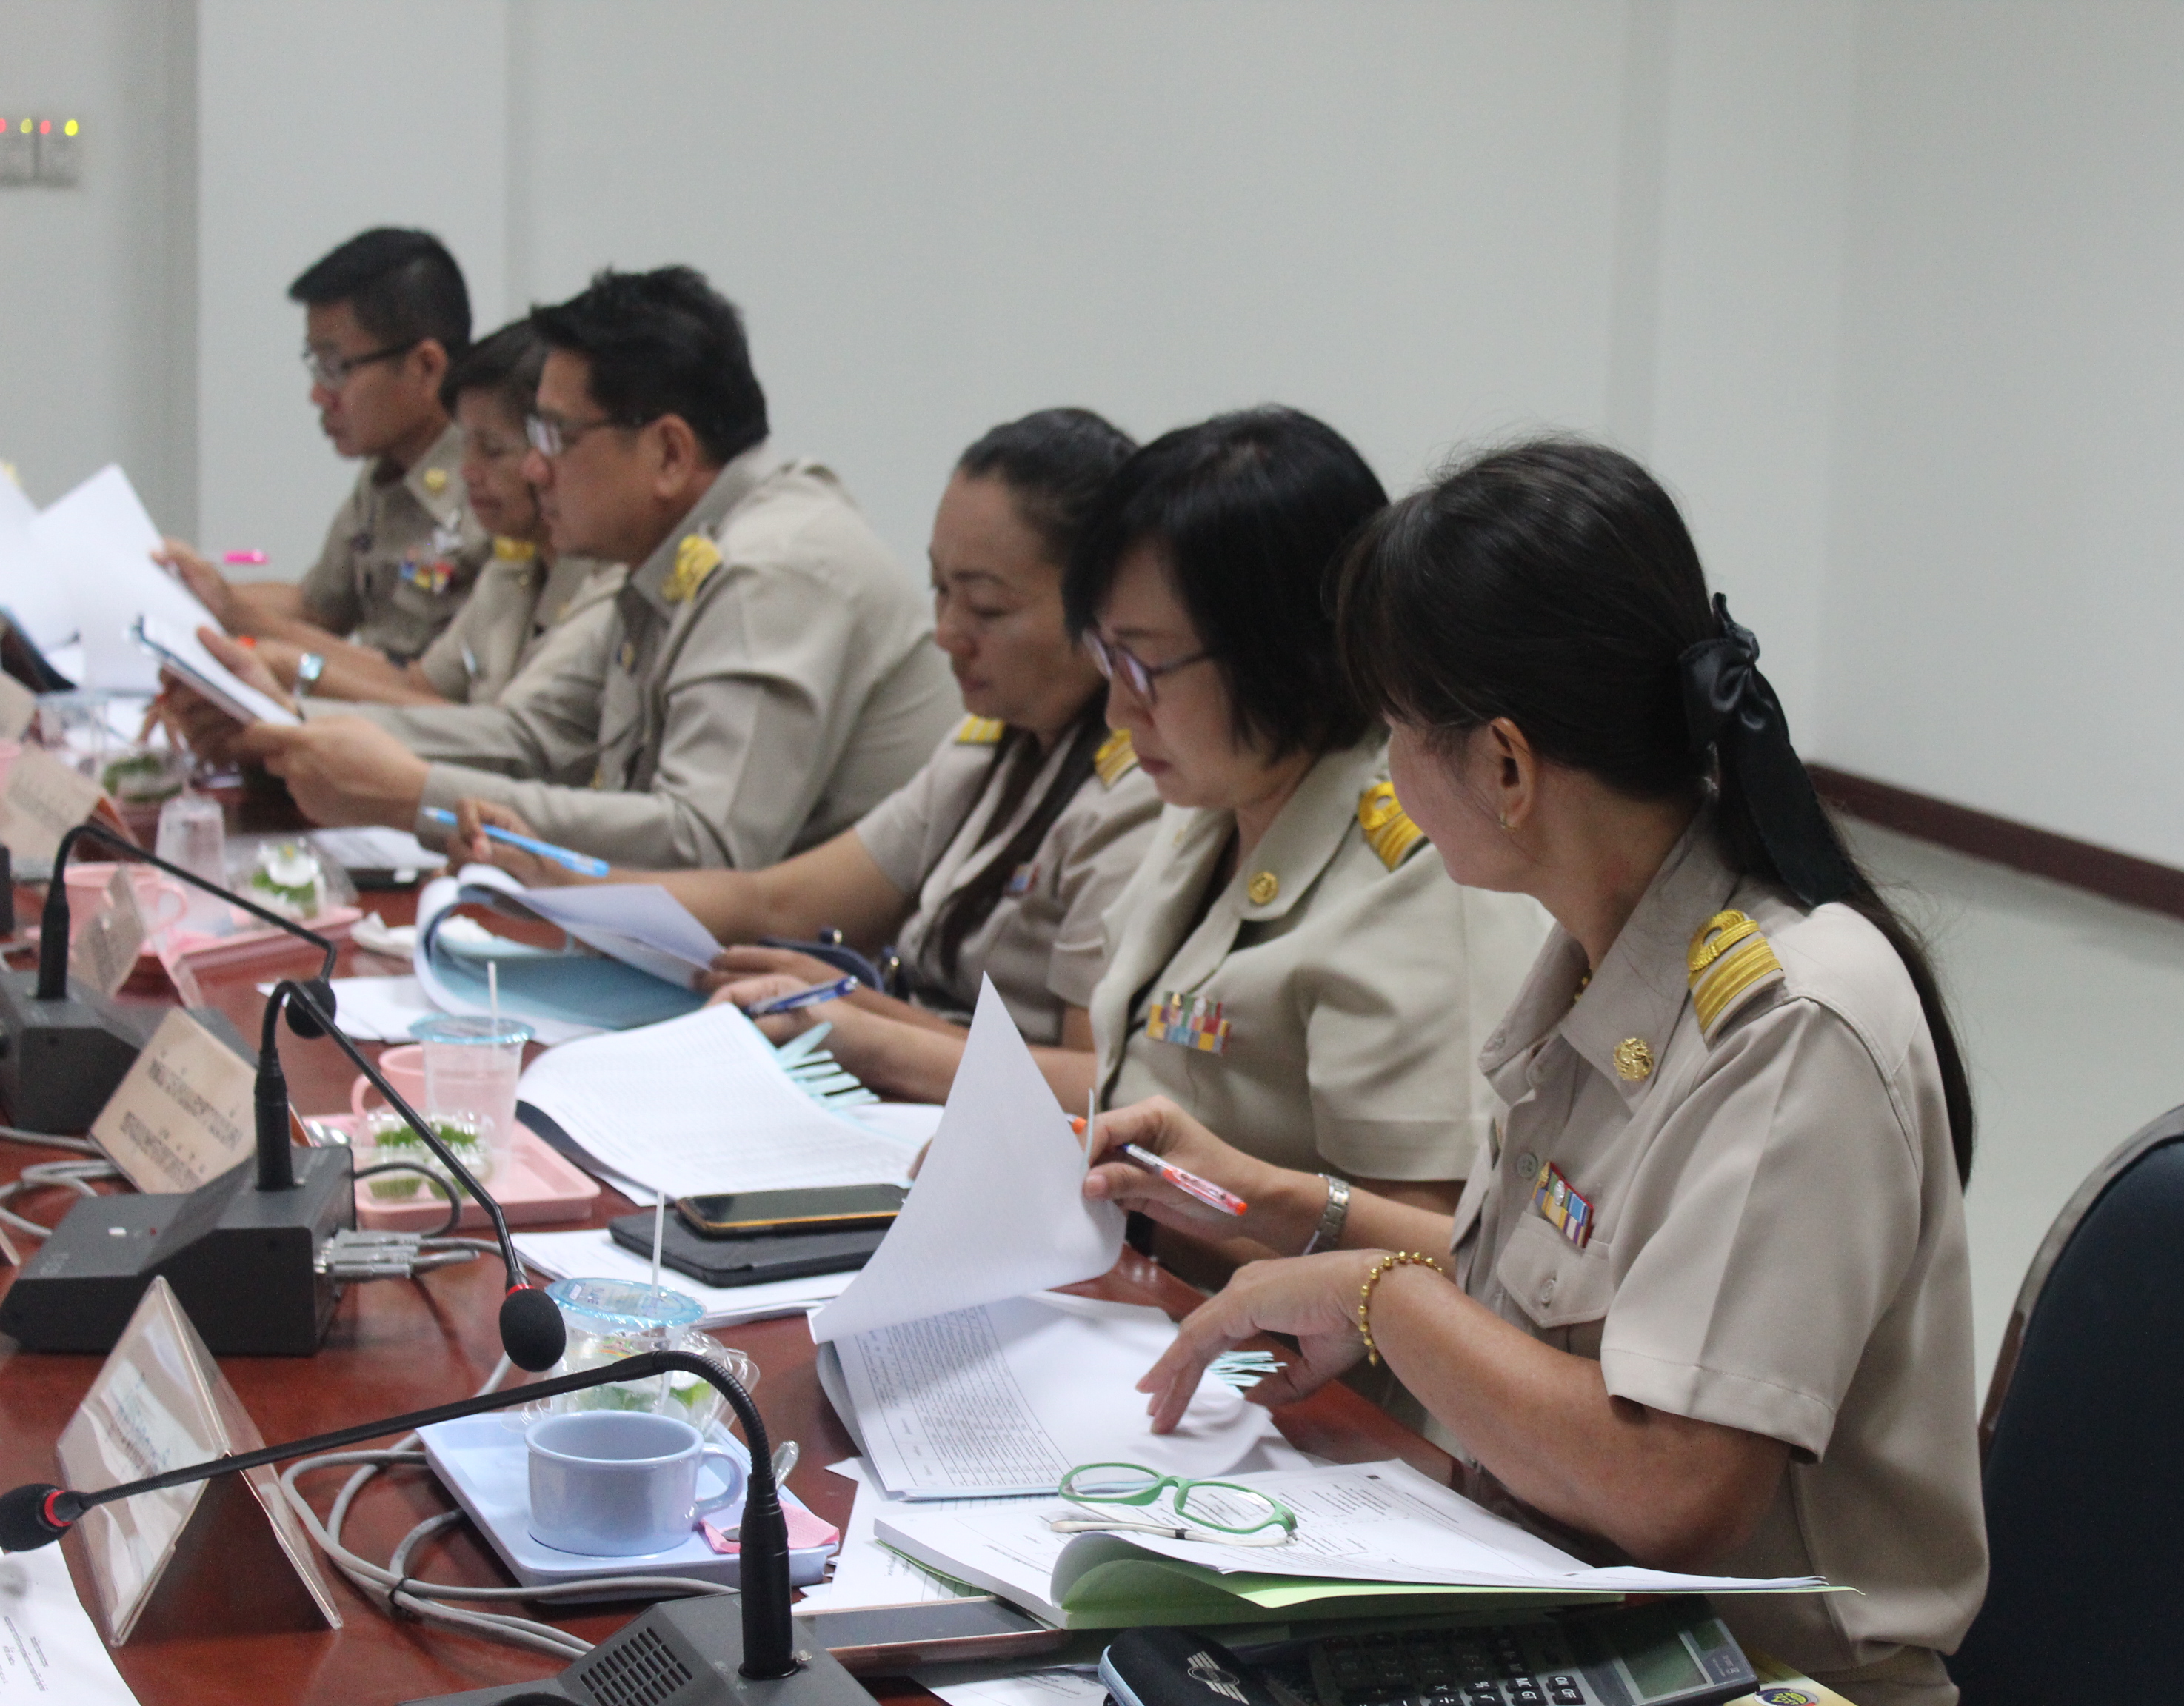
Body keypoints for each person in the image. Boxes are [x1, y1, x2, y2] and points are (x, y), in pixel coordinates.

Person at [1081, 441, 1986, 1706]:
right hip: (1561, 1608)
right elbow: (1565, 1293)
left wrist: (1381, 1297)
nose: (1385, 770)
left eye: (1397, 730)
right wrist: (1297, 1211)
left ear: (1504, 764)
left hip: (1759, 1677)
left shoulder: (1789, 1020)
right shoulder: (1601, 951)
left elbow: (1671, 1484)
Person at [457, 408, 1159, 1106]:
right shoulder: (990, 746)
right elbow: (780, 900)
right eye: (940, 590)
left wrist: (859, 1020)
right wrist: (564, 883)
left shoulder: (1136, 791)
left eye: (985, 608)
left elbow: (1093, 1085)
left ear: (1101, 612)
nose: (947, 634)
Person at [173, 265, 958, 870]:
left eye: (553, 438)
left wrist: (419, 797)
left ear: (669, 453)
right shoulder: (673, 548)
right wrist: (286, 728)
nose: (534, 472)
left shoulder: (771, 569)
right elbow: (533, 738)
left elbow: (704, 846)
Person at [1066, 407, 1547, 1248]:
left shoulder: (1422, 867)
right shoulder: (1218, 804)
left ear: (1278, 648)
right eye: (1108, 659)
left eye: (1145, 666)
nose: (1117, 708)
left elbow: (1438, 1246)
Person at [162, 321, 620, 710]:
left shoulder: (604, 584)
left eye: (494, 450)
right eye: (466, 446)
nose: (468, 471)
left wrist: (293, 683)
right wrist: (265, 649)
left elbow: (502, 739)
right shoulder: (514, 566)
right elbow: (414, 685)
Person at [163, 227, 487, 662]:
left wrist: (234, 612)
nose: (318, 395)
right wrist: (184, 590)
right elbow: (317, 610)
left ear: (425, 369)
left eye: (336, 367)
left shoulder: (487, 494)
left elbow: (422, 691)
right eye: (316, 366)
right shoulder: (385, 474)